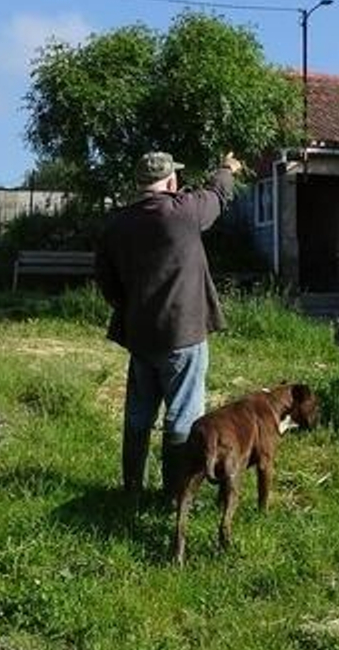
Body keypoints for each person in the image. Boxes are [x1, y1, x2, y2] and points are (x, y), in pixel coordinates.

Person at [94, 150, 243, 498]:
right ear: (172, 180)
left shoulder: (116, 224)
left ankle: (132, 490)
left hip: (140, 335)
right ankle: (175, 496)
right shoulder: (185, 212)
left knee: (138, 414)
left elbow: (106, 280)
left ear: (139, 183)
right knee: (183, 416)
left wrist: (131, 308)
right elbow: (218, 193)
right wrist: (227, 167)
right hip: (183, 334)